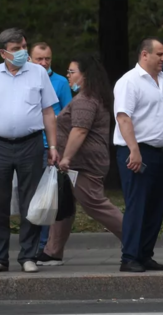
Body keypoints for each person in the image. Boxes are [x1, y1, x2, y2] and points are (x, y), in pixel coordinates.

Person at [0, 28, 59, 274]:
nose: (21, 52)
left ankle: (28, 256)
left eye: (23, 47)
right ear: (3, 53)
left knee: (30, 202)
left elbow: (48, 112)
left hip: (30, 142)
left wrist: (52, 146)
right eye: (16, 49)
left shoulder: (38, 73)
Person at [36, 54, 124, 266]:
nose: (68, 76)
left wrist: (66, 158)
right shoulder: (89, 97)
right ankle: (52, 252)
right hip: (77, 163)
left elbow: (80, 131)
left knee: (94, 204)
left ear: (84, 75)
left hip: (82, 164)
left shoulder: (86, 100)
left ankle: (135, 239)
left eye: (71, 72)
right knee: (63, 205)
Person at [113, 37, 163, 273]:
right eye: (160, 54)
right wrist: (134, 150)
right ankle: (129, 256)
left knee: (155, 206)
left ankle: (144, 254)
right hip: (136, 151)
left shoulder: (162, 80)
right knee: (137, 205)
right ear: (144, 55)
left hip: (159, 152)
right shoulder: (129, 82)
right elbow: (123, 117)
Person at [29, 42, 73, 252]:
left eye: (47, 59)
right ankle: (31, 244)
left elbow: (68, 114)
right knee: (29, 196)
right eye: (39, 59)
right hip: (27, 145)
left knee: (47, 197)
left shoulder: (61, 82)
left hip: (51, 146)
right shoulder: (23, 79)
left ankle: (43, 246)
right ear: (30, 59)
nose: (44, 63)